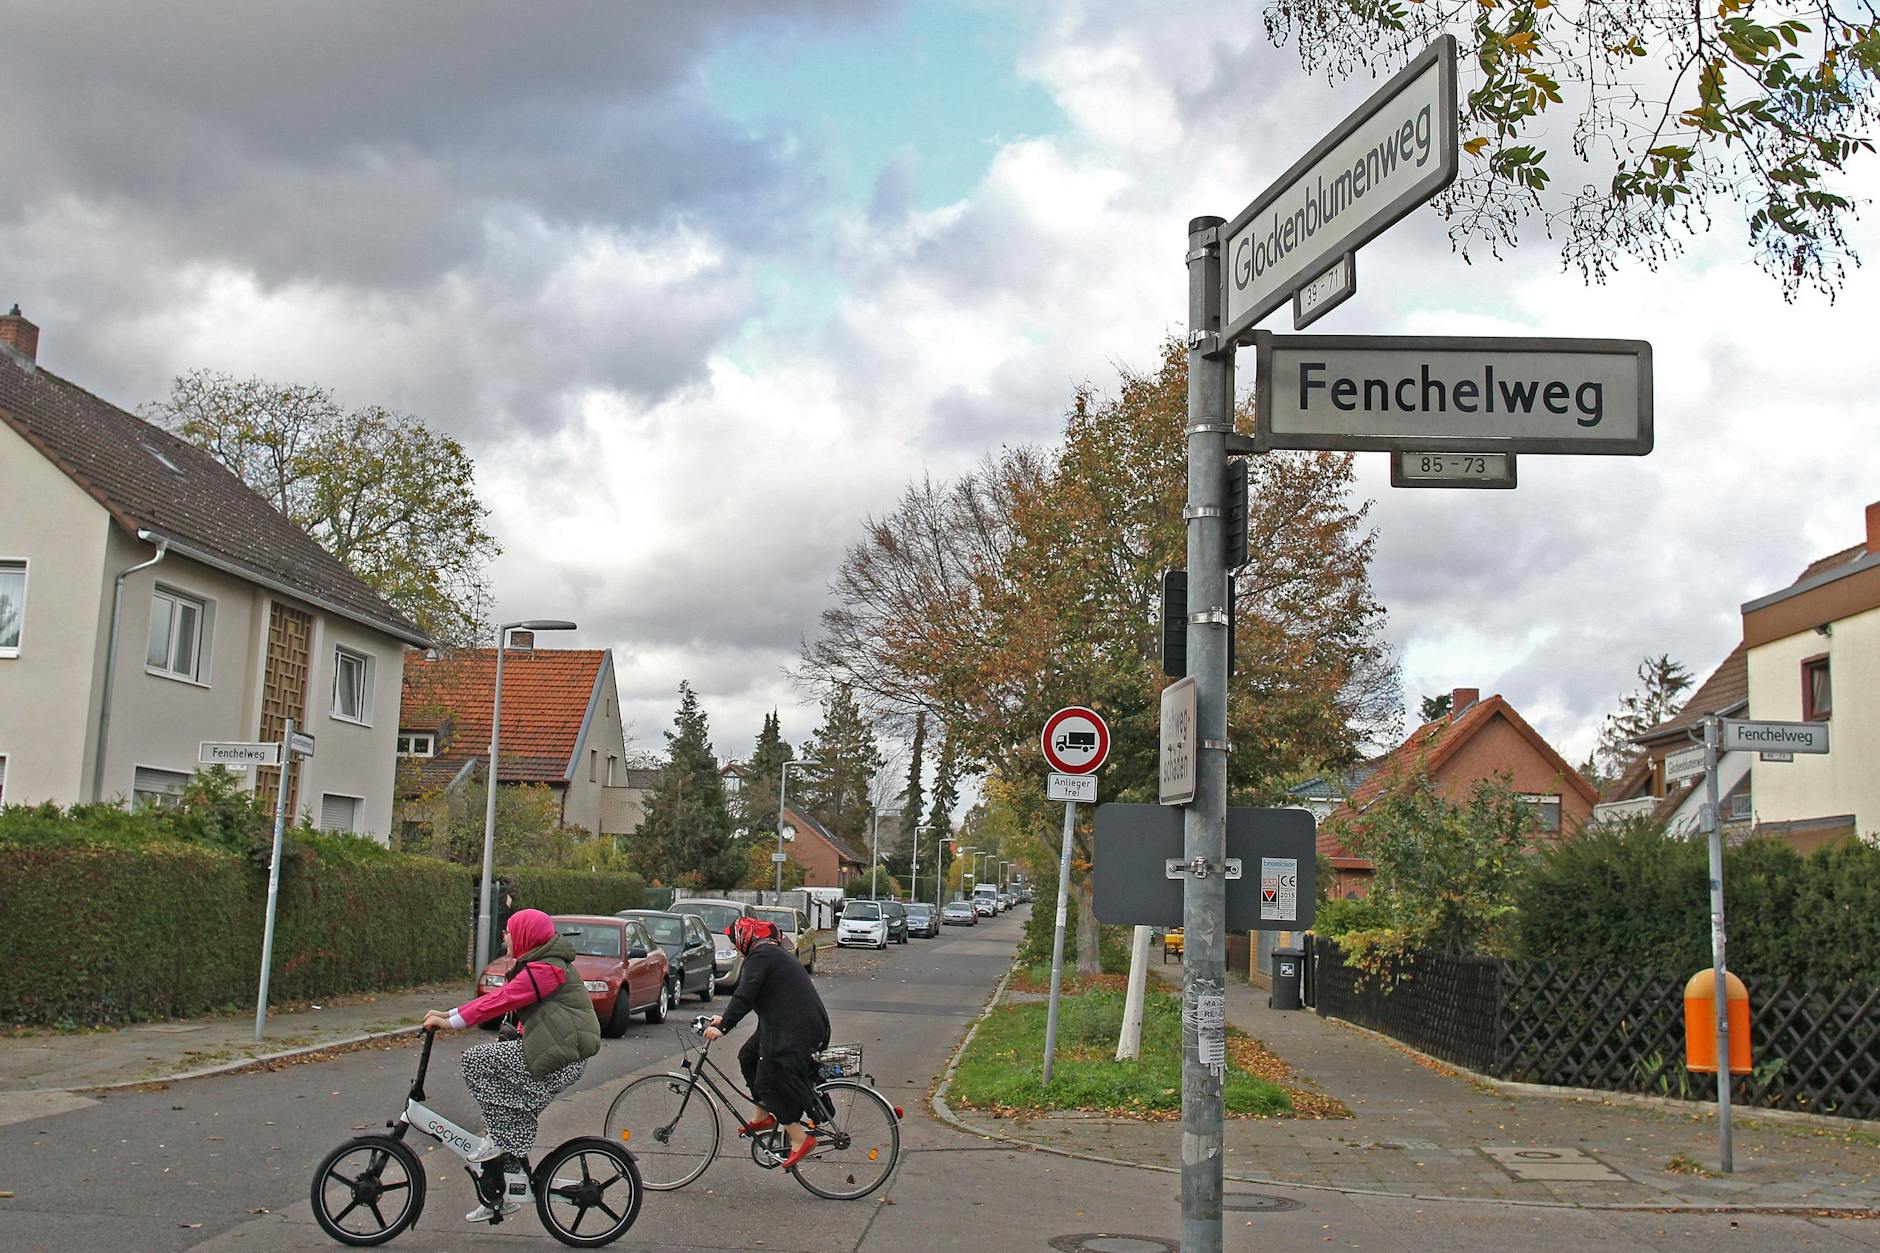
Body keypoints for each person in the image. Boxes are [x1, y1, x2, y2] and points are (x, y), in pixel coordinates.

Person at [422, 908, 600, 1222]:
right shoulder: (540, 966)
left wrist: (453, 1022)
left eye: (509, 930)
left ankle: (504, 1139)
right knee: (503, 1118)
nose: (504, 936)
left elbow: (502, 1000)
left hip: (560, 1058)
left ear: (525, 936)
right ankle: (498, 1196)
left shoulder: (547, 970)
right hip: (551, 1051)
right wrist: (448, 1014)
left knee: (476, 1062)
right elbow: (498, 996)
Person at [703, 916, 831, 1169]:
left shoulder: (762, 956)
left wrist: (725, 1026)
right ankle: (763, 1115)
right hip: (786, 1023)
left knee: (768, 1080)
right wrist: (723, 1018)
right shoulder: (768, 953)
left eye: (734, 939)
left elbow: (746, 993)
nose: (734, 946)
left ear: (745, 937)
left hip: (797, 1029)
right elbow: (757, 994)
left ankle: (799, 1138)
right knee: (748, 1057)